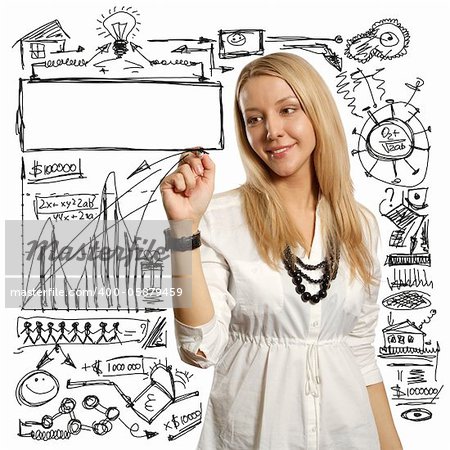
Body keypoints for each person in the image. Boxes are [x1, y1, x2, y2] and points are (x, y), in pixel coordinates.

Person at [160, 52, 402, 450]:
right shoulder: (219, 218)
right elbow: (198, 347)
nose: (271, 130)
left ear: (317, 113)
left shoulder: (361, 224)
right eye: (254, 118)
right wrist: (183, 230)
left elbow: (360, 351)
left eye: (287, 110)